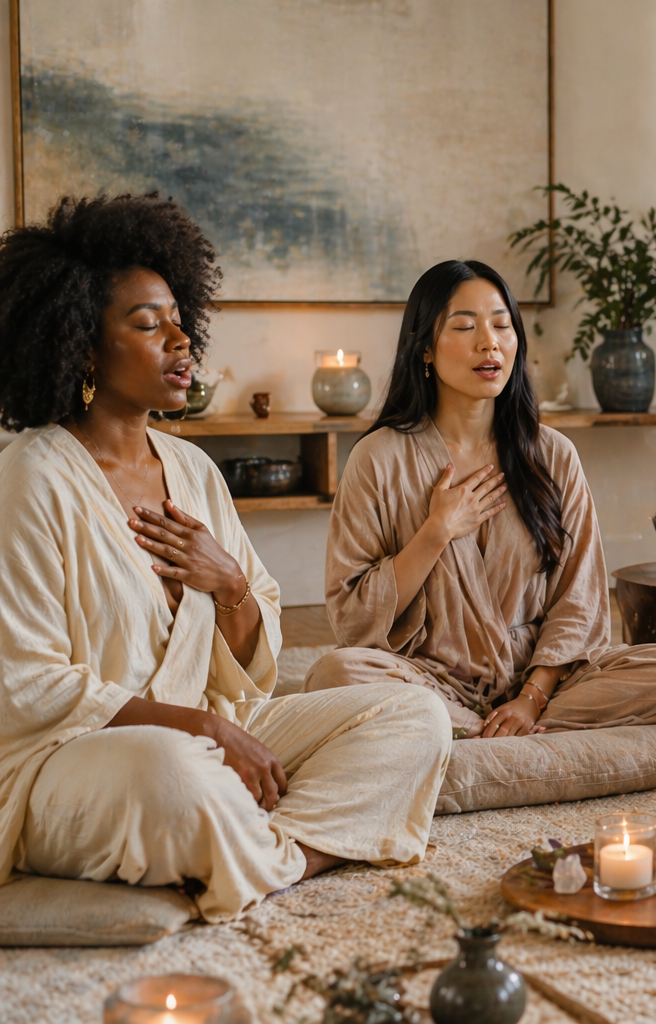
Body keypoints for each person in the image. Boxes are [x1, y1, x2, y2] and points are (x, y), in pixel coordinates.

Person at [0, 194, 452, 923]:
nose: (182, 340)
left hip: (212, 734)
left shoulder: (191, 469)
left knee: (415, 716)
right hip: (84, 760)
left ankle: (270, 858)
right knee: (172, 774)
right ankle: (272, 845)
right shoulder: (30, 476)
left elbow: (255, 651)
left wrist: (230, 582)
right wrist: (204, 731)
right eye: (149, 324)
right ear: (81, 342)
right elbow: (23, 685)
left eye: (182, 319)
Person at [305, 260, 656, 739]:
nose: (488, 342)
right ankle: (485, 733)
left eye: (501, 324)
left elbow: (580, 600)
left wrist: (531, 700)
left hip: (538, 683)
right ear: (425, 348)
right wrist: (436, 532)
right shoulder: (378, 458)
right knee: (336, 675)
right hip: (429, 684)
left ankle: (480, 738)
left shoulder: (552, 454)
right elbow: (352, 619)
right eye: (465, 326)